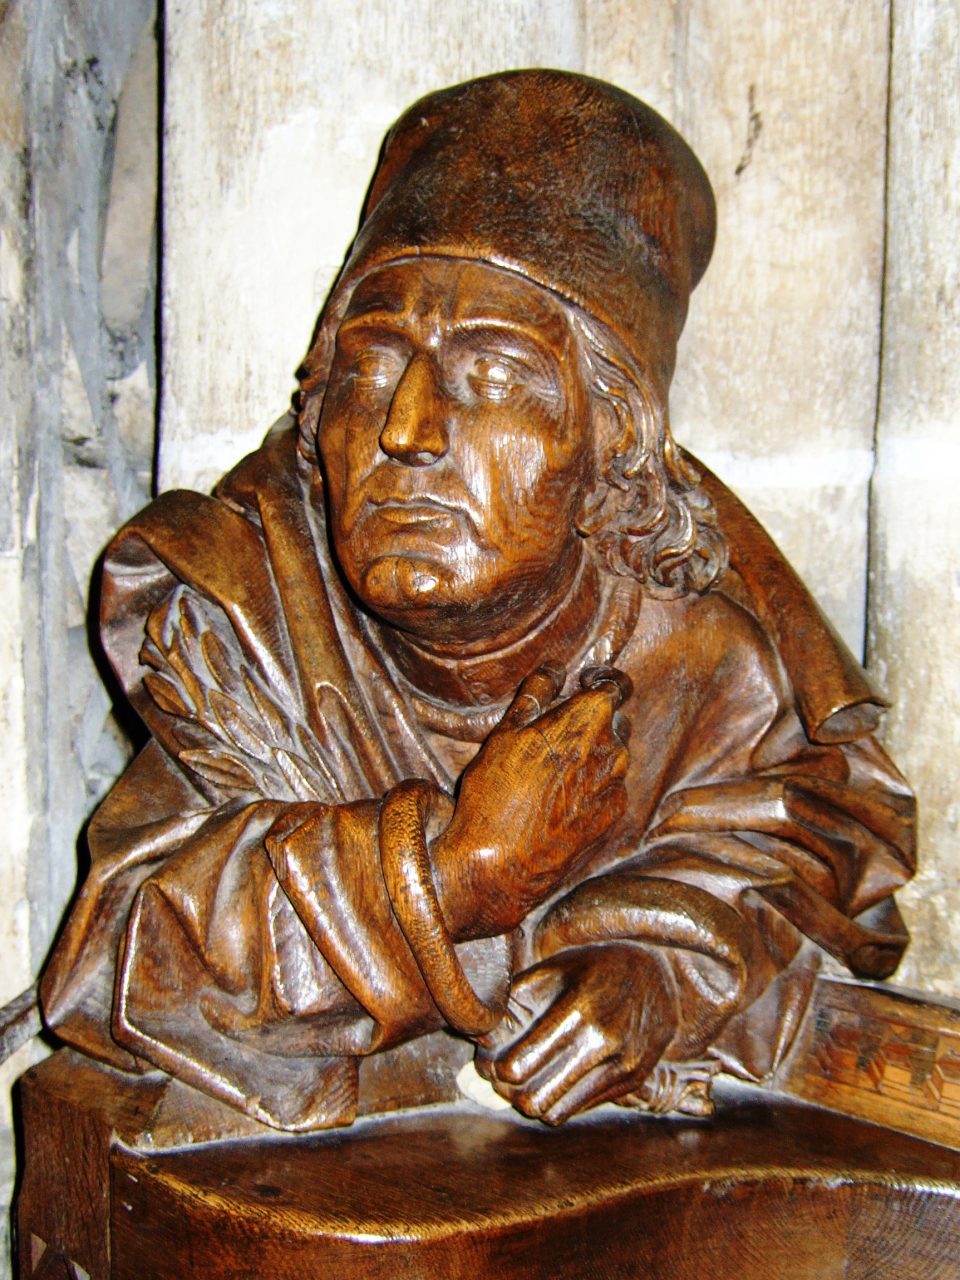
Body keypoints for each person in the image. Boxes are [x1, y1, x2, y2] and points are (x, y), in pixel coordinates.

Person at [41, 70, 915, 1133]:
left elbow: (799, 889)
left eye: (495, 378)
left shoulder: (709, 671)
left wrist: (654, 974)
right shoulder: (247, 620)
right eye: (372, 368)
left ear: (610, 447)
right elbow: (118, 958)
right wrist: (455, 874)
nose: (408, 429)